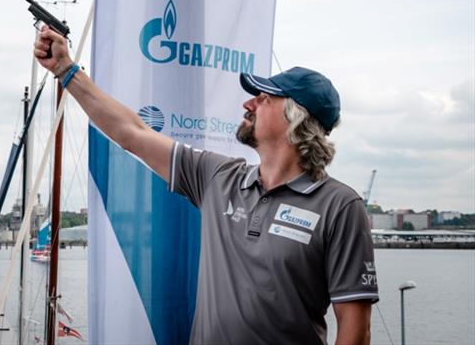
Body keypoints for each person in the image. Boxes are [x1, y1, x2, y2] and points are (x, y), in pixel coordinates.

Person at [34, 25, 379, 345]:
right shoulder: (218, 178)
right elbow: (132, 133)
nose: (248, 103)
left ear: (295, 117)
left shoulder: (339, 206)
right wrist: (67, 71)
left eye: (263, 97)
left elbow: (355, 327)